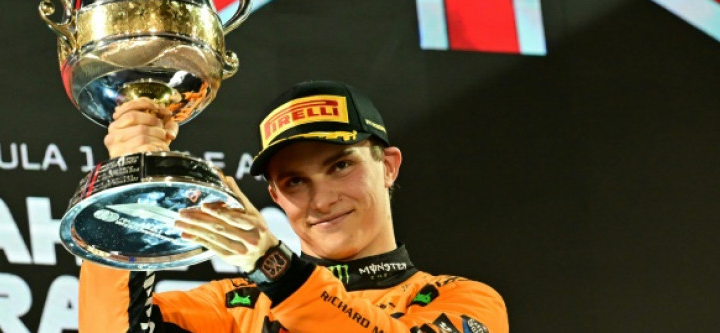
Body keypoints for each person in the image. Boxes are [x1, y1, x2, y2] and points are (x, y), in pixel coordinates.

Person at [79, 80, 508, 332]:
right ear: (276, 197)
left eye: (341, 165)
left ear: (389, 167)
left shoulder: (463, 299)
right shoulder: (233, 307)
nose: (322, 200)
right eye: (295, 181)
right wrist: (129, 188)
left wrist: (276, 270)